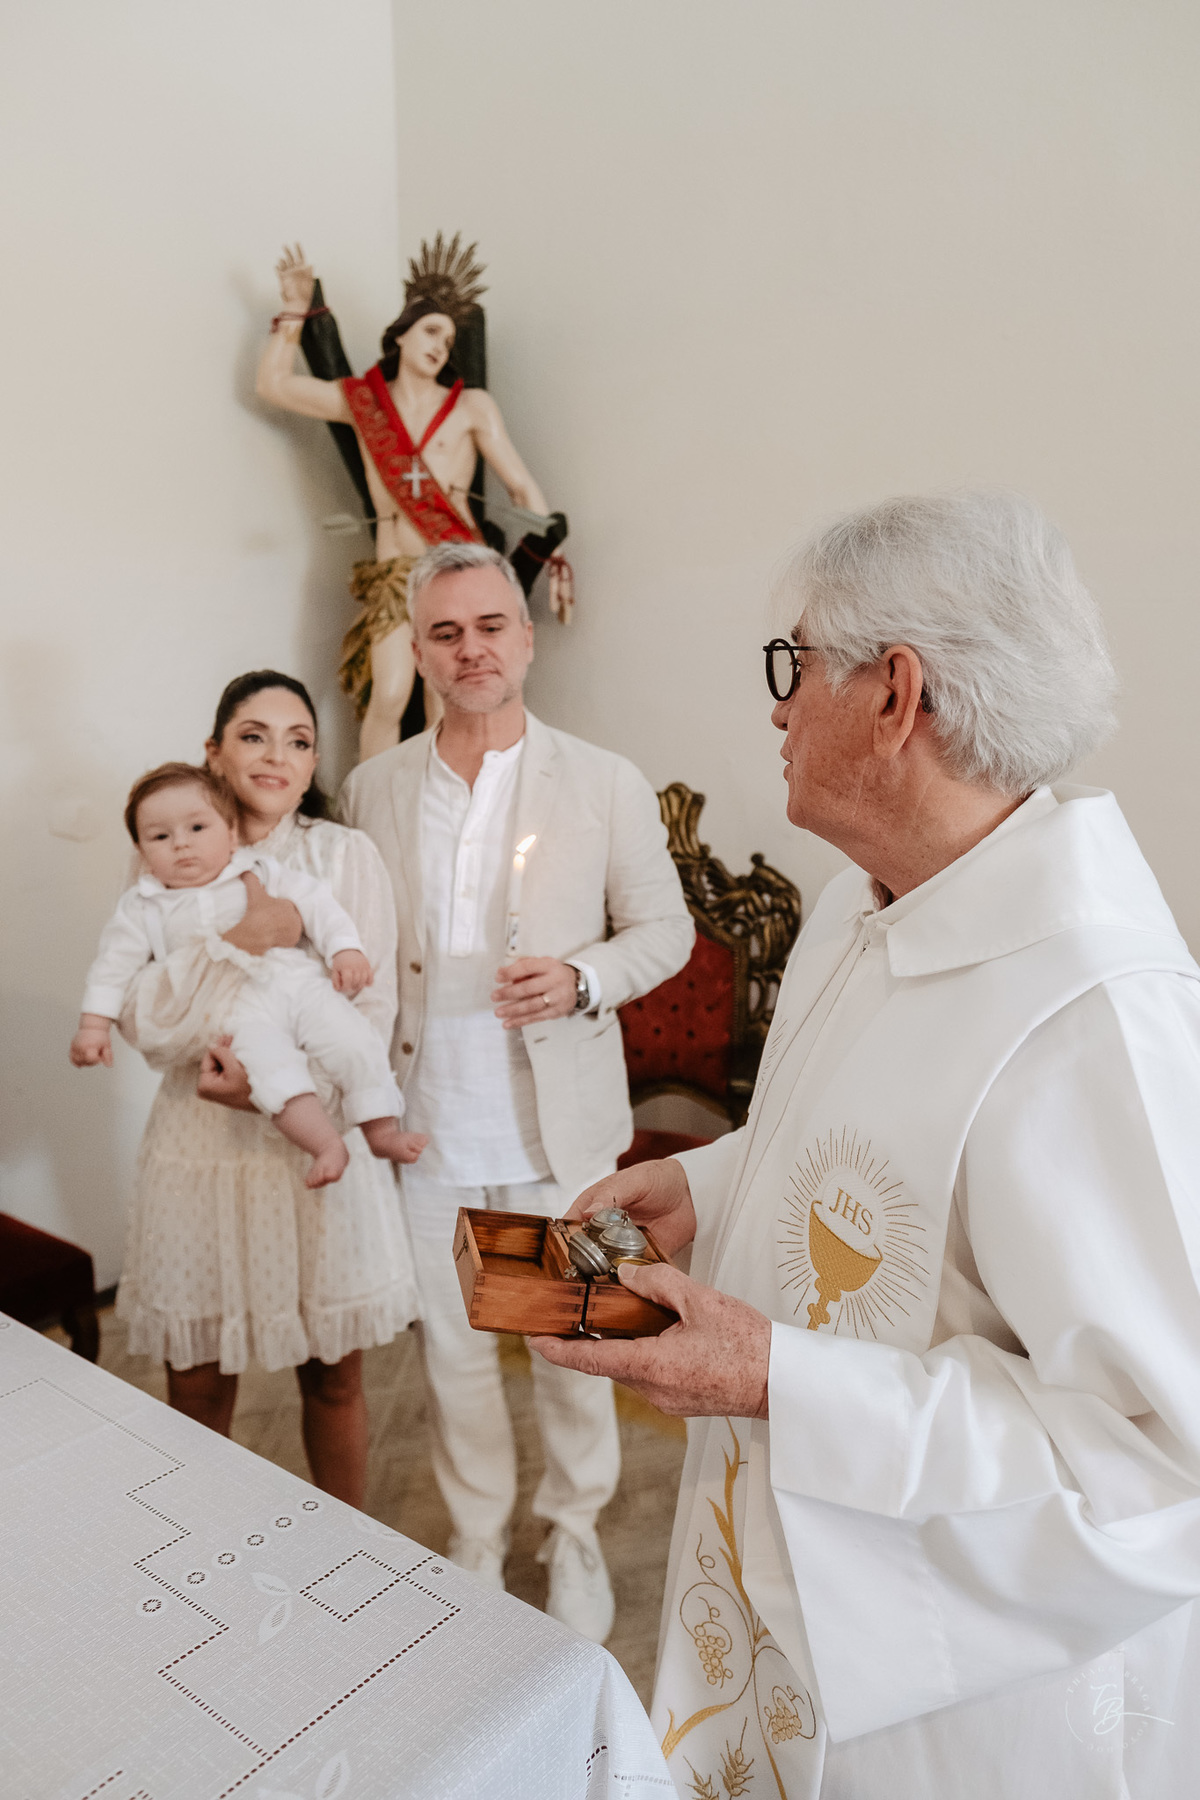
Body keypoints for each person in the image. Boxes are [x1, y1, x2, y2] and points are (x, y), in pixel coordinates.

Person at [534, 491, 1200, 1797]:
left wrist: (787, 1381)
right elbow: (867, 1154)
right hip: (781, 1585)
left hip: (966, 1701)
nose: (776, 708)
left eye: (795, 666)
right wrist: (705, 1184)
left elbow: (1163, 1462)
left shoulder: (1095, 1017)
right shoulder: (861, 908)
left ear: (898, 695)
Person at [338, 540, 694, 1641]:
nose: (471, 648)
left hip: (559, 1128)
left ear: (526, 639)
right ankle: (479, 1533)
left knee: (577, 1346)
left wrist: (584, 975)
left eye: (490, 626)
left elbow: (667, 932)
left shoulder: (601, 779)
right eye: (445, 631)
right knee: (452, 1352)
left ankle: (575, 1532)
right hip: (426, 1124)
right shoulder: (374, 785)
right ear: (419, 649)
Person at [113, 672, 420, 1508]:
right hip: (197, 1154)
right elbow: (145, 1022)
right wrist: (247, 936)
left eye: (297, 738)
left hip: (312, 1155)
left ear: (315, 758)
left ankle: (351, 1557)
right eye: (253, 734)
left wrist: (272, 1089)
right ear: (213, 750)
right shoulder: (170, 848)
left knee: (333, 1380)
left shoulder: (343, 857)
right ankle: (204, 1560)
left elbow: (373, 1009)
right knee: (199, 1390)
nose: (275, 755)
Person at [256, 238, 557, 762]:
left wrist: (554, 561)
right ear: (400, 336)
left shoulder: (470, 406)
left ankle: (443, 807)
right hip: (394, 573)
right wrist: (293, 312)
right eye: (431, 330)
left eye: (448, 337)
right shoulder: (364, 403)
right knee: (389, 693)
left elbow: (524, 489)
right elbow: (274, 385)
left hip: (454, 568)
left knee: (445, 698)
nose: (441, 344)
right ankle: (373, 814)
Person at [71, 761, 425, 1187]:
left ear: (231, 833)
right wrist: (94, 1025)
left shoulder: (256, 870)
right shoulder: (142, 906)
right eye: (161, 837)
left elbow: (316, 903)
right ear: (143, 852)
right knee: (273, 1073)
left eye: (197, 828)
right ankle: (325, 1144)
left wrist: (345, 949)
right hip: (235, 1015)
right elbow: (112, 967)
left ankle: (381, 1129)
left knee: (354, 1039)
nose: (181, 845)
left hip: (297, 984)